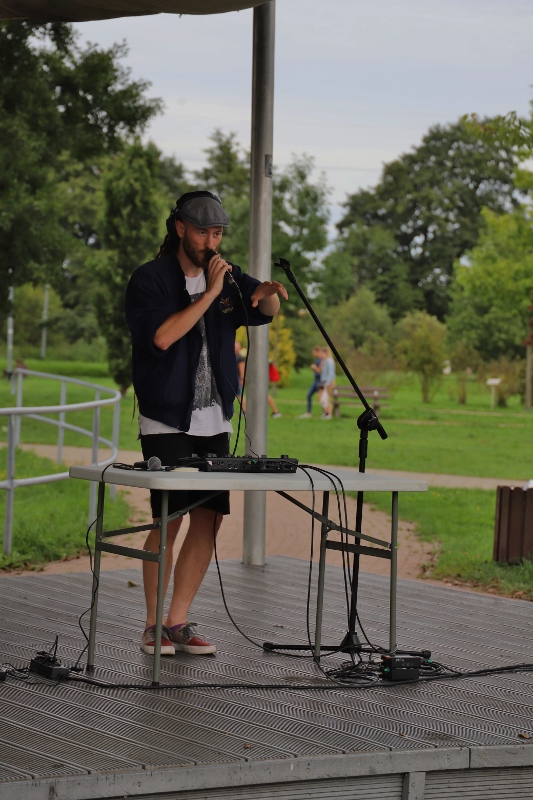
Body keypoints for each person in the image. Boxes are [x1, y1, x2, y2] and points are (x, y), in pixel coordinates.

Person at [125, 190, 287, 657]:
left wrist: (270, 295)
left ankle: (178, 622)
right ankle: (153, 625)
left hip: (213, 419)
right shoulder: (151, 279)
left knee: (209, 518)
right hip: (167, 419)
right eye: (203, 231)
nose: (211, 241)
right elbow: (161, 336)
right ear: (180, 228)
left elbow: (263, 310)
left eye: (217, 233)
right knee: (169, 516)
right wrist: (211, 293)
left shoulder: (229, 277)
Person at [299, 345, 323, 418]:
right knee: (309, 395)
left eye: (313, 352)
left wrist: (315, 368)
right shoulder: (317, 360)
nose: (313, 354)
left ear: (317, 351)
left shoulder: (321, 360)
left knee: (321, 398)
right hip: (316, 381)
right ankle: (308, 412)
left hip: (320, 381)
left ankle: (326, 413)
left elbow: (321, 371)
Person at [318, 346, 336, 419]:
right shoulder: (324, 361)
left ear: (325, 353)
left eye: (322, 353)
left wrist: (328, 383)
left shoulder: (329, 361)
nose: (321, 355)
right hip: (323, 380)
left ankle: (328, 413)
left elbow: (330, 373)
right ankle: (325, 412)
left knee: (327, 398)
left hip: (328, 381)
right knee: (321, 397)